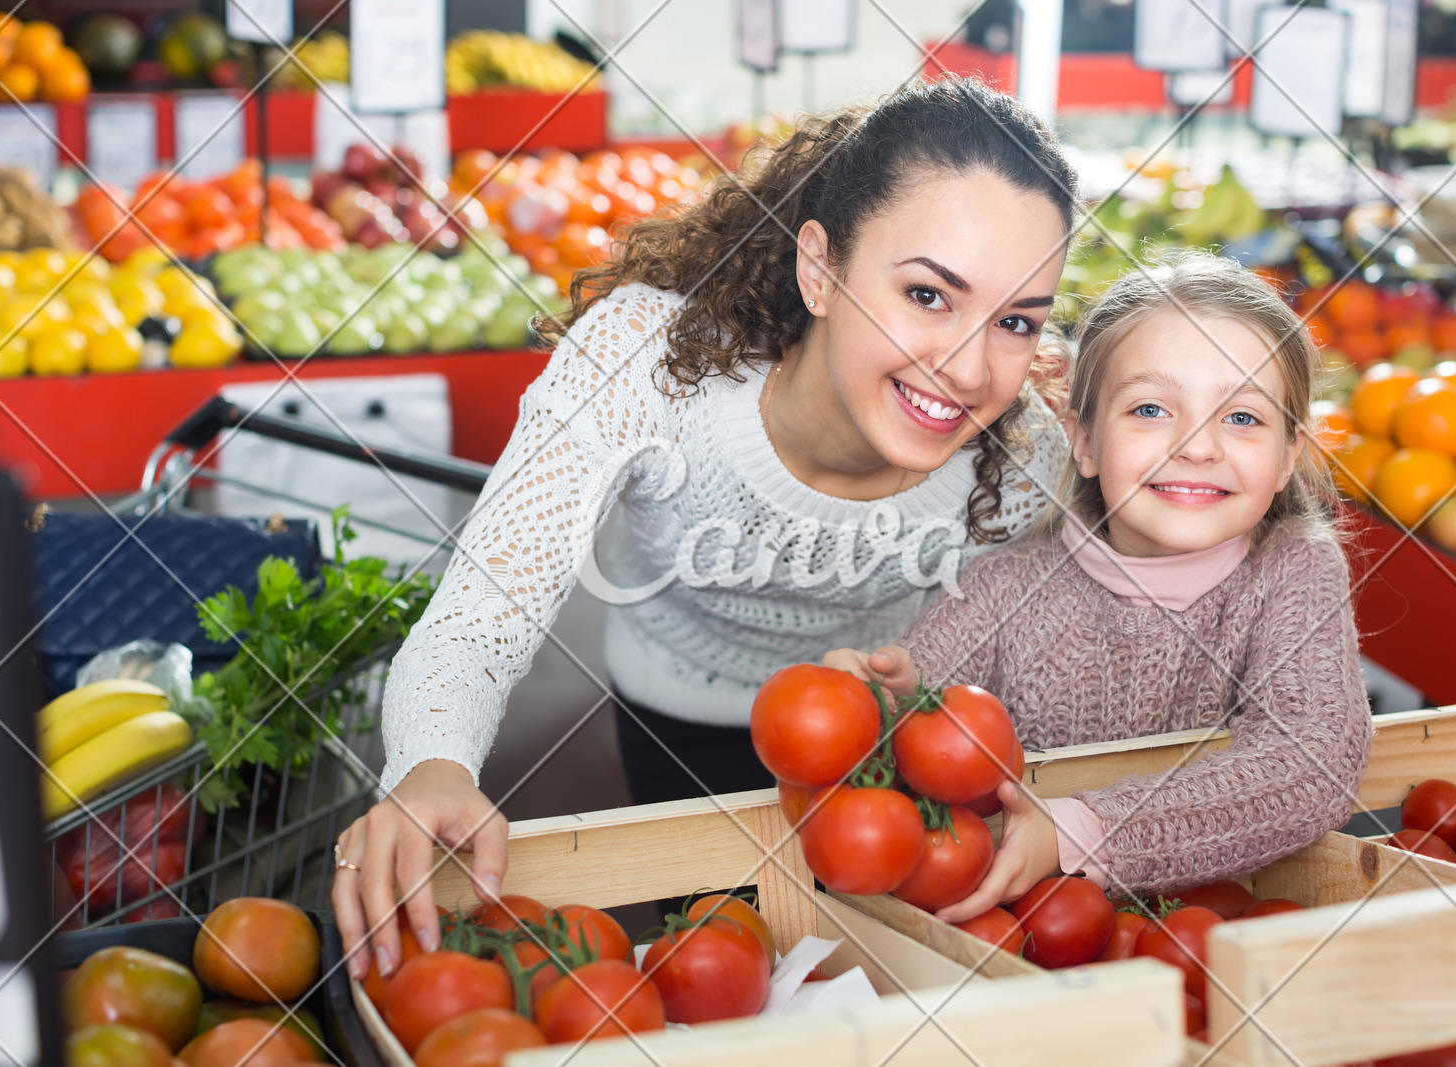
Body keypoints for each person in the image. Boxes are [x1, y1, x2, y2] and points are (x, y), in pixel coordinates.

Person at [333, 77, 1080, 981]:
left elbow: (1018, 652)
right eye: (927, 295)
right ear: (820, 268)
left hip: (891, 746)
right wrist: (431, 766)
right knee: (722, 968)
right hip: (680, 713)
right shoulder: (646, 363)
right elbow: (481, 614)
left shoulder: (1022, 457)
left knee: (881, 989)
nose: (967, 367)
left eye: (1014, 321)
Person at [828, 252, 1373, 921]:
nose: (1197, 446)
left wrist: (1079, 830)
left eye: (1242, 418)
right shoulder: (1009, 587)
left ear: (1290, 455)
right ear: (1084, 442)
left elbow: (1311, 759)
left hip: (1223, 935)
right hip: (1038, 939)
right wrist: (889, 699)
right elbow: (916, 712)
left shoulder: (1295, 571)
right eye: (1150, 408)